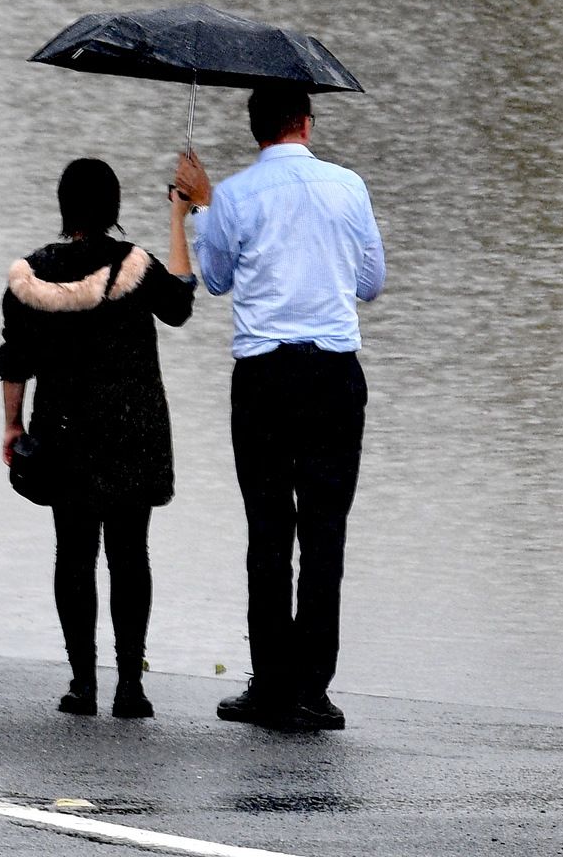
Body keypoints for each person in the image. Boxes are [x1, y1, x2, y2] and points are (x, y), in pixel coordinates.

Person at [173, 82, 386, 733]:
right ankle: (313, 691)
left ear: (256, 129)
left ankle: (270, 685)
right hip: (334, 374)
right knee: (326, 533)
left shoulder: (234, 194)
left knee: (269, 533)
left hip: (264, 377)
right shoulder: (347, 186)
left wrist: (203, 204)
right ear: (306, 123)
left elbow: (214, 279)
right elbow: (372, 284)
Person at [0, 157, 197, 719]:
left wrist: (12, 424)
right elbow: (180, 306)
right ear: (113, 209)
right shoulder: (135, 265)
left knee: (74, 553)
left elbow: (15, 359)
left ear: (65, 209)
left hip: (64, 433)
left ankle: (81, 685)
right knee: (131, 554)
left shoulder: (29, 277)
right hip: (133, 431)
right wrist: (179, 218)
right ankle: (130, 686)